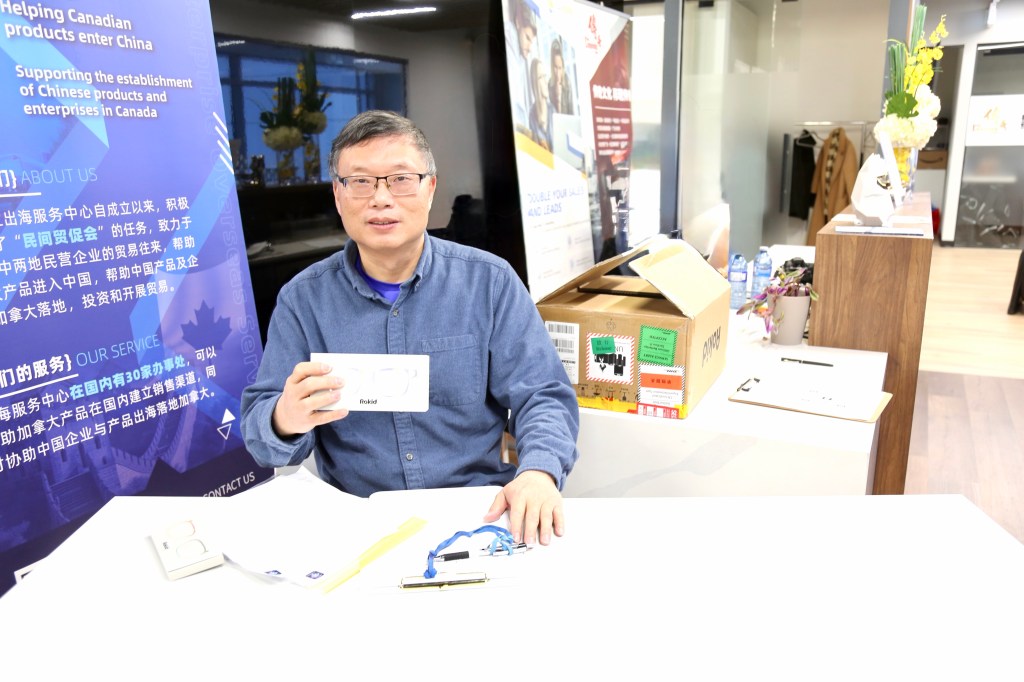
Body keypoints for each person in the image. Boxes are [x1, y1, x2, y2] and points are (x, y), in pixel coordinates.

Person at [240, 110, 579, 545]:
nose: (381, 199)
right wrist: (284, 418)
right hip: (357, 525)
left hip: (476, 515)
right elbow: (261, 435)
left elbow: (543, 395)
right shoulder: (303, 301)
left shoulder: (490, 283)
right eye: (360, 182)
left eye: (401, 179)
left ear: (430, 188)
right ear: (338, 196)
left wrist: (538, 472)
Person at [528, 57, 552, 150]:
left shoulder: (552, 110)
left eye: (545, 76)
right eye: (541, 77)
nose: (546, 81)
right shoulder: (532, 115)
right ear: (535, 83)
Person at [549, 38, 575, 115]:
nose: (558, 73)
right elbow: (554, 116)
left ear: (563, 67)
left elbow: (571, 111)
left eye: (560, 68)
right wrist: (558, 98)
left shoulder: (567, 81)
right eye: (555, 67)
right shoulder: (549, 84)